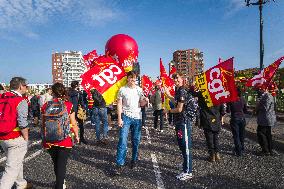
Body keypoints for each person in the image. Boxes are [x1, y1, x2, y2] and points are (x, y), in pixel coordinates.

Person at [41, 82, 80, 189]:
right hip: (64, 139)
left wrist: (43, 138)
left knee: (56, 163)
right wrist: (77, 135)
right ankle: (60, 185)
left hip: (49, 139)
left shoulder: (45, 106)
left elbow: (43, 123)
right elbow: (74, 123)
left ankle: (60, 183)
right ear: (63, 92)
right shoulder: (68, 105)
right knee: (62, 164)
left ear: (52, 92)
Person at [163, 72, 197, 181]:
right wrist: (168, 94)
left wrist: (168, 110)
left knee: (186, 146)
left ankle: (188, 171)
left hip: (184, 121)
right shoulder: (178, 90)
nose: (175, 80)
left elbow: (179, 109)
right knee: (182, 145)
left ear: (182, 79)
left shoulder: (182, 90)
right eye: (174, 79)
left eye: (177, 78)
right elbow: (176, 101)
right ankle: (185, 166)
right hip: (179, 122)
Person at [0, 77, 32, 189]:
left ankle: (21, 184)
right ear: (20, 86)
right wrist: (26, 138)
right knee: (10, 170)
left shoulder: (2, 96)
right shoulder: (21, 100)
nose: (27, 88)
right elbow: (22, 123)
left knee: (16, 162)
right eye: (26, 86)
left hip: (3, 137)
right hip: (15, 138)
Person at [114, 71, 148, 175]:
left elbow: (141, 104)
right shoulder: (122, 89)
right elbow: (119, 104)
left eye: (135, 78)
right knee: (122, 140)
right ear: (127, 78)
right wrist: (119, 118)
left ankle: (134, 159)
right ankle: (119, 164)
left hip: (137, 118)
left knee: (135, 140)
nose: (133, 80)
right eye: (131, 78)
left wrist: (145, 100)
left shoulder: (139, 90)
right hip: (126, 117)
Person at [197, 91, 226, 162]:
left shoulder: (204, 95)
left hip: (207, 120)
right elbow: (223, 110)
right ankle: (217, 154)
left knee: (209, 138)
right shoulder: (219, 96)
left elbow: (199, 105)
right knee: (216, 138)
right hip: (216, 119)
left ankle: (212, 155)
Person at [227, 87, 249, 156]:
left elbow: (228, 110)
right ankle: (242, 148)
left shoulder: (231, 100)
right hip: (242, 118)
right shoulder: (243, 99)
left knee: (236, 135)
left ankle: (238, 151)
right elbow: (245, 110)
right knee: (242, 135)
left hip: (234, 119)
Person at [256, 84, 277, 156]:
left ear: (264, 89)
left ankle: (265, 150)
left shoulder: (267, 96)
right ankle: (269, 150)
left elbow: (265, 108)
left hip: (265, 119)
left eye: (260, 89)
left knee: (261, 134)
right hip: (266, 119)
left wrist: (258, 107)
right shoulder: (265, 96)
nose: (259, 91)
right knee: (268, 134)